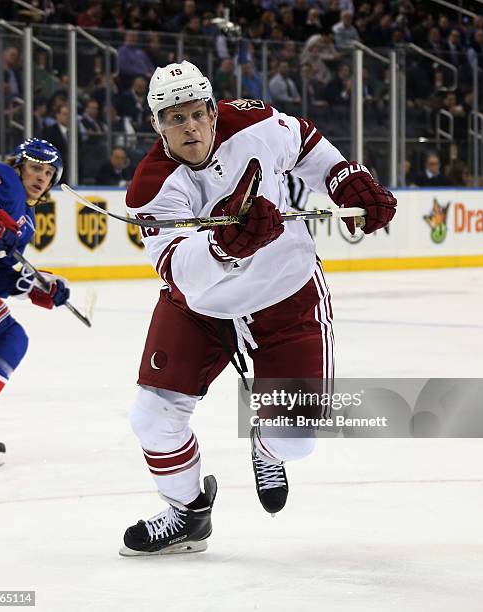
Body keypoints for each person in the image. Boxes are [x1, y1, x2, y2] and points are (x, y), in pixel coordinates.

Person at [121, 61, 396, 556]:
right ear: (155, 125)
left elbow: (305, 142)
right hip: (200, 308)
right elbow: (175, 267)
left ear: (212, 109)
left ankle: (267, 444)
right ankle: (187, 513)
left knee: (296, 439)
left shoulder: (253, 122)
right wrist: (227, 248)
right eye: (173, 118)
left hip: (285, 291)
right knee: (152, 417)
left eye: (196, 114)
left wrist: (342, 177)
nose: (188, 127)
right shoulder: (151, 185)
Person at [0, 138, 70, 468]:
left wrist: (33, 287)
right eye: (35, 168)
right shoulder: (4, 180)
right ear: (19, 166)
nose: (41, 177)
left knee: (8, 338)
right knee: (7, 338)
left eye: (48, 172)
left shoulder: (26, 223)